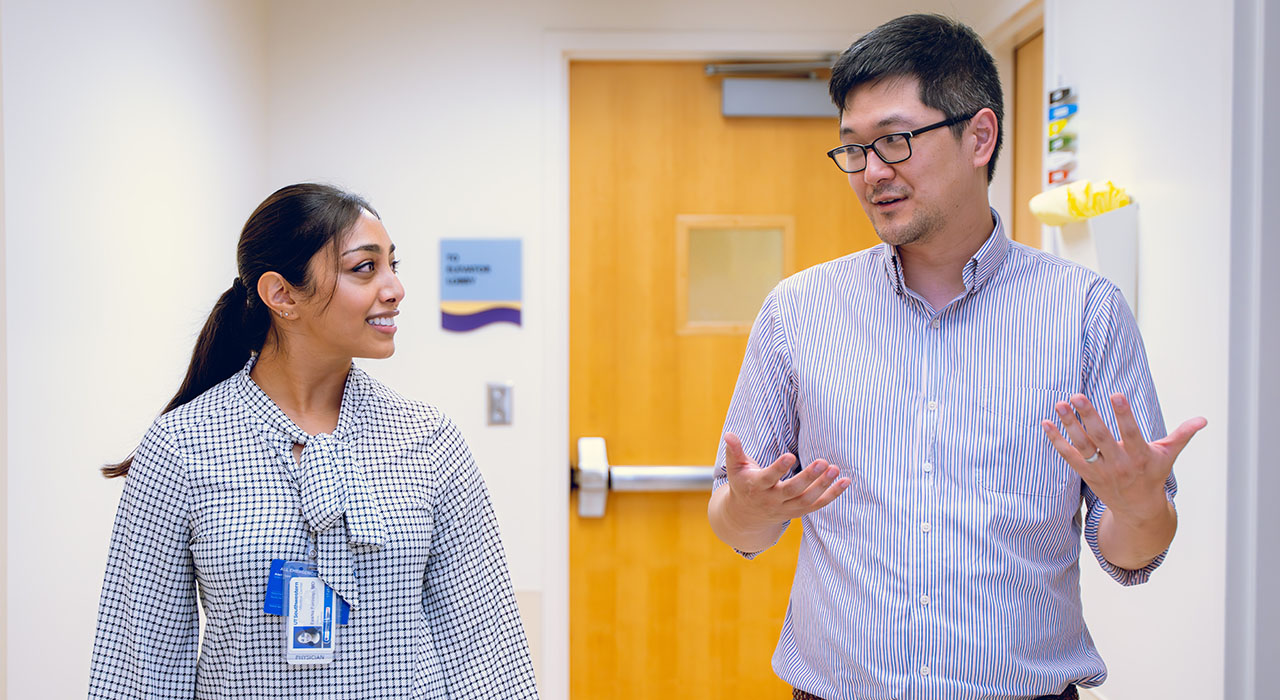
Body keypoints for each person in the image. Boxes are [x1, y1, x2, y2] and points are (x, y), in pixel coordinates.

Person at [707, 14, 1205, 700]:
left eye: (896, 141)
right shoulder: (798, 312)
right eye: (854, 148)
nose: (871, 172)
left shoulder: (1085, 311)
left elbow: (1132, 551)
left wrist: (1142, 506)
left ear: (979, 135)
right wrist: (755, 506)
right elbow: (735, 524)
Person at [89, 184, 538, 699]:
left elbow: (484, 646)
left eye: (393, 265)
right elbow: (139, 665)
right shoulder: (181, 447)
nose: (394, 288)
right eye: (364, 268)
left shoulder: (427, 439)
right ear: (281, 295)